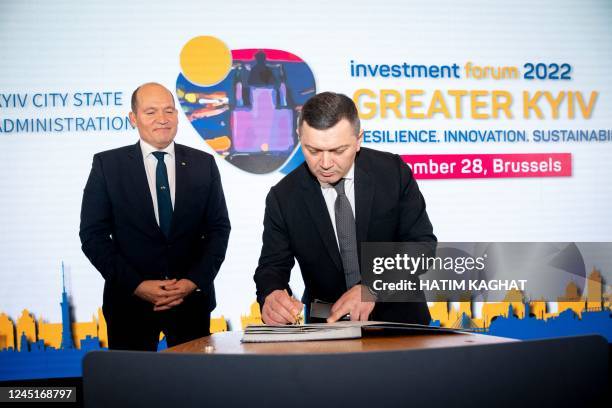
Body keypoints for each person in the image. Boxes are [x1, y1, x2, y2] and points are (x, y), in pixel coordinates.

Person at [254, 92, 436, 325]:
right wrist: (271, 294)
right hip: (327, 328)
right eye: (313, 150)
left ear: (359, 139)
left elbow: (422, 245)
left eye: (338, 151)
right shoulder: (283, 197)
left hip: (401, 320)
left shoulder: (393, 172)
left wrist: (371, 287)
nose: (326, 163)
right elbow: (272, 267)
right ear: (299, 137)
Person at [80, 82, 231, 350]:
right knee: (132, 390)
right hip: (129, 305)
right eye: (150, 112)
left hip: (191, 304)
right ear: (133, 118)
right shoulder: (107, 165)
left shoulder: (203, 164)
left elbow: (219, 229)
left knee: (194, 388)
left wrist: (192, 281)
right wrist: (136, 285)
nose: (162, 119)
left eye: (169, 111)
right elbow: (93, 236)